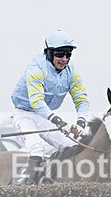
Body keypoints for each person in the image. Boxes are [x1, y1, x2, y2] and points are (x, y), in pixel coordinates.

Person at [10, 30, 91, 184]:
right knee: (36, 149)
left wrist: (81, 122)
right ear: (49, 52)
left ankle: (53, 180)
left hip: (43, 117)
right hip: (24, 114)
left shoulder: (71, 71)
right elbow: (37, 102)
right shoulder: (36, 68)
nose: (64, 59)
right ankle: (26, 192)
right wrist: (60, 122)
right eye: (60, 54)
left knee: (71, 146)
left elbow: (81, 99)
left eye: (68, 55)